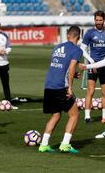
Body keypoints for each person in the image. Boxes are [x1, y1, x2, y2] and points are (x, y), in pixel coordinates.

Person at [38, 26, 83, 154]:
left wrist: (72, 75)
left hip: (49, 84)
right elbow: (72, 67)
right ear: (78, 38)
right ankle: (65, 144)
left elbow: (59, 67)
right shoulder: (76, 50)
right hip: (60, 86)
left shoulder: (57, 47)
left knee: (56, 115)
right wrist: (70, 87)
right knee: (74, 114)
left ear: (68, 35)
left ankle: (43, 144)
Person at [81, 10, 105, 123]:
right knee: (90, 91)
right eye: (96, 20)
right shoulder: (89, 33)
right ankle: (87, 116)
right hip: (93, 66)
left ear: (104, 20)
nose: (98, 22)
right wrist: (91, 62)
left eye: (100, 20)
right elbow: (82, 49)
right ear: (94, 20)